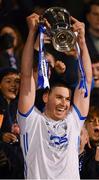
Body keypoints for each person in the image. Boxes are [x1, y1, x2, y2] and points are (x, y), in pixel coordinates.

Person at [17, 13, 92, 179]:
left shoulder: (73, 121)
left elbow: (86, 81)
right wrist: (31, 34)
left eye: (67, 99)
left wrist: (82, 42)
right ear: (45, 97)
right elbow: (26, 76)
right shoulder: (31, 121)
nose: (64, 103)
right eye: (59, 97)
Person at [0, 67, 24, 178]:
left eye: (17, 82)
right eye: (8, 81)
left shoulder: (20, 106)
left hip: (18, 165)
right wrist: (1, 136)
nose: (13, 85)